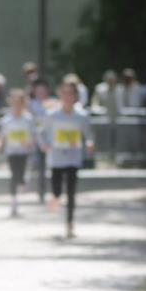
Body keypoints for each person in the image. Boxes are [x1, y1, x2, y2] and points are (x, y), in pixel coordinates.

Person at [41, 76, 94, 238]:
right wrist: (44, 144)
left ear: (75, 96)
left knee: (71, 192)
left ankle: (69, 224)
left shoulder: (81, 116)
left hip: (73, 158)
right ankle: (54, 199)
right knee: (57, 192)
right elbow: (41, 133)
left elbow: (88, 134)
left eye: (71, 93)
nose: (67, 97)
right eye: (64, 93)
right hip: (56, 158)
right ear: (59, 95)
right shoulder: (51, 115)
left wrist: (90, 143)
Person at [0, 89, 37, 217]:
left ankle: (23, 181)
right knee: (14, 175)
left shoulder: (28, 119)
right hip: (11, 151)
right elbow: (2, 135)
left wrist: (30, 143)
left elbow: (34, 135)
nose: (16, 105)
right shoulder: (7, 119)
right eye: (14, 102)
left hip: (24, 151)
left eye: (19, 102)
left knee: (21, 174)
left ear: (23, 103)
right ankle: (13, 203)